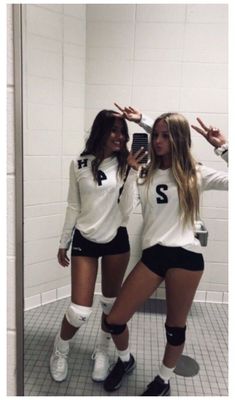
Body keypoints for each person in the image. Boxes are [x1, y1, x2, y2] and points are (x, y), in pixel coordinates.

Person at [102, 105, 228, 396]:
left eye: (165, 136)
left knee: (174, 328)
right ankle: (125, 360)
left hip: (186, 257)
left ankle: (162, 380)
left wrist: (223, 149)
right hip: (153, 255)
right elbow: (126, 207)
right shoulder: (144, 171)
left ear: (179, 140)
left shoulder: (197, 173)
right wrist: (132, 170)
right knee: (114, 319)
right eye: (155, 135)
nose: (158, 141)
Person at [49, 109, 146, 383]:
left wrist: (131, 173)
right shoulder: (79, 163)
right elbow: (73, 205)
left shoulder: (127, 164)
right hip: (85, 239)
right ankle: (60, 349)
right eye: (113, 130)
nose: (119, 136)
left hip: (116, 239)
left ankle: (102, 350)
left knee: (110, 306)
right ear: (100, 132)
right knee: (79, 311)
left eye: (122, 131)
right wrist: (63, 241)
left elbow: (127, 210)